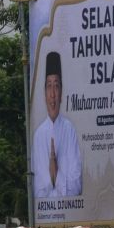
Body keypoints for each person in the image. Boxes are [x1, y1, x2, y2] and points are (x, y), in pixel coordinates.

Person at [32, 51, 83, 198]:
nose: (53, 94)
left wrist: (56, 176)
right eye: (49, 86)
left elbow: (77, 185)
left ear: (61, 93)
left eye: (56, 86)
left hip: (71, 216)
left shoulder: (69, 129)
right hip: (46, 218)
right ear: (44, 93)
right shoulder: (38, 135)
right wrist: (53, 177)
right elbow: (37, 191)